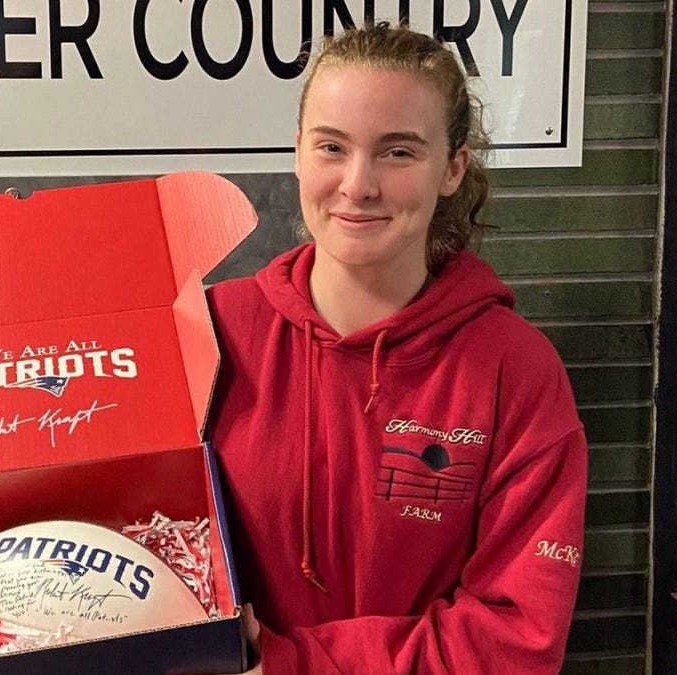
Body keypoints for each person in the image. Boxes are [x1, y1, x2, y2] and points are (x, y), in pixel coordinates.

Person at [205, 22, 587, 675]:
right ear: (297, 152)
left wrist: (294, 664)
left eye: (398, 153)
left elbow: (516, 637)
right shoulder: (210, 333)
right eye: (332, 146)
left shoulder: (515, 371)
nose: (358, 184)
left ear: (453, 167)